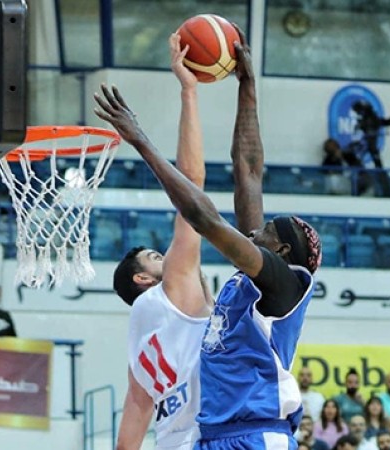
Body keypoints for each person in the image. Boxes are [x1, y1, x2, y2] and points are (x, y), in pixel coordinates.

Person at [97, 24, 323, 448]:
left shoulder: (281, 283)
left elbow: (204, 217)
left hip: (257, 434)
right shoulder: (257, 272)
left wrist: (141, 140)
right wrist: (248, 87)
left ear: (283, 251)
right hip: (214, 436)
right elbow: (248, 170)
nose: (256, 229)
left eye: (267, 231)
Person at [113, 33, 213, 450]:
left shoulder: (139, 338)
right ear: (142, 279)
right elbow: (192, 188)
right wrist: (189, 92)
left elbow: (135, 412)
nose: (168, 256)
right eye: (156, 256)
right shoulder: (172, 289)